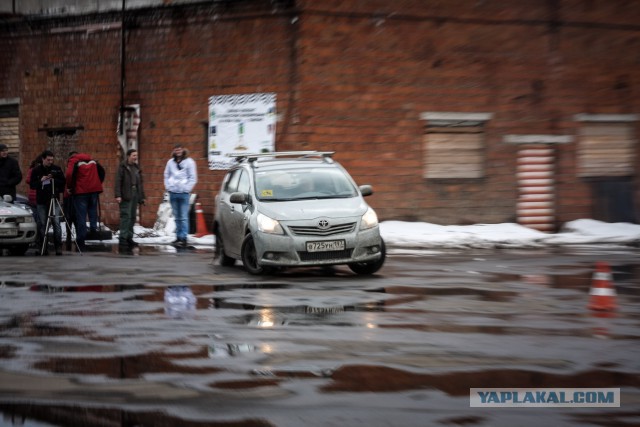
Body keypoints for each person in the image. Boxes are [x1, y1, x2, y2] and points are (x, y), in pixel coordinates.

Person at [65, 152, 105, 250]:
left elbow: (69, 174)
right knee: (92, 210)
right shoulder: (91, 160)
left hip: (81, 192)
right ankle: (93, 228)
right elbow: (102, 171)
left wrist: (70, 187)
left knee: (81, 216)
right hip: (94, 190)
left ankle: (81, 240)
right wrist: (98, 183)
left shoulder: (73, 161)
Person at [30, 150, 65, 255]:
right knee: (42, 224)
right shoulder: (36, 170)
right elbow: (32, 185)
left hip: (54, 199)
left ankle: (58, 247)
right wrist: (41, 180)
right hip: (42, 200)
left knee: (56, 223)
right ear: (43, 159)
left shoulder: (56, 169)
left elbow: (63, 182)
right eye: (48, 160)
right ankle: (43, 247)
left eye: (52, 160)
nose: (50, 162)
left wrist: (52, 179)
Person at [164, 144, 197, 248]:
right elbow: (166, 175)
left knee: (183, 217)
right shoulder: (170, 162)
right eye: (176, 149)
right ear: (174, 151)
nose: (178, 151)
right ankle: (178, 237)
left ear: (183, 150)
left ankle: (184, 238)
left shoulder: (189, 162)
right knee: (177, 217)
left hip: (183, 194)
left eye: (180, 149)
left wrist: (186, 189)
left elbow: (193, 177)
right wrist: (169, 187)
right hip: (173, 193)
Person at [115, 149, 145, 252]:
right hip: (125, 195)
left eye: (136, 155)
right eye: (133, 155)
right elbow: (118, 181)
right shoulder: (122, 166)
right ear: (128, 156)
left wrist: (141, 197)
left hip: (135, 193)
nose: (135, 157)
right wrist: (118, 195)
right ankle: (123, 238)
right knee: (125, 216)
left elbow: (140, 183)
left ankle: (129, 237)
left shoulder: (136, 167)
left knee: (132, 217)